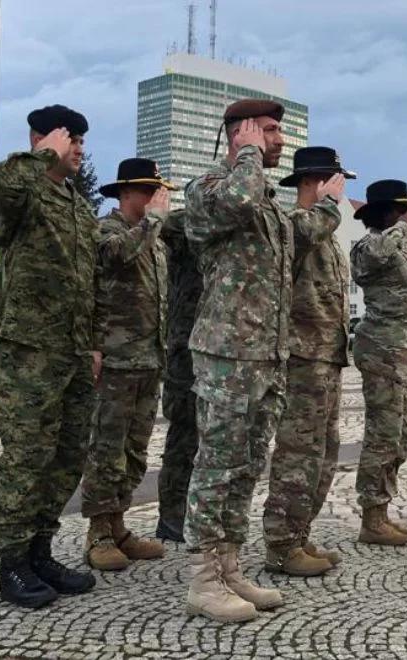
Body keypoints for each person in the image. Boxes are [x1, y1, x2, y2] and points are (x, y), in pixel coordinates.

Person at [183, 98, 305, 623]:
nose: (281, 141)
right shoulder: (209, 188)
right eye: (271, 131)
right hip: (227, 354)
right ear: (240, 133)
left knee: (246, 466)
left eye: (278, 132)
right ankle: (204, 580)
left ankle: (229, 566)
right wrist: (249, 155)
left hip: (265, 354)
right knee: (218, 466)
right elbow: (236, 200)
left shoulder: (268, 203)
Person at [0, 104, 98, 609]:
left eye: (80, 141)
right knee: (27, 456)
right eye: (72, 139)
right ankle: (13, 563)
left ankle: (40, 550)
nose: (79, 149)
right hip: (30, 349)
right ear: (45, 139)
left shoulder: (76, 204)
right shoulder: (22, 192)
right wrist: (39, 154)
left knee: (67, 455)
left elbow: (86, 283)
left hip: (72, 352)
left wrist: (92, 342)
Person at [81, 158, 174, 570]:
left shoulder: (151, 239)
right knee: (107, 448)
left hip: (148, 358)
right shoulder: (107, 230)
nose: (155, 196)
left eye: (157, 190)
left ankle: (118, 524)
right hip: (115, 359)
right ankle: (98, 531)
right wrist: (153, 220)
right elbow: (116, 256)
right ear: (124, 193)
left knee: (135, 450)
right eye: (147, 189)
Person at [261, 147, 350, 576]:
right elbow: (302, 236)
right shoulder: (295, 223)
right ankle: (280, 544)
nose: (342, 189)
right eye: (336, 181)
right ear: (316, 182)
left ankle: (299, 534)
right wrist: (329, 203)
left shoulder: (326, 233)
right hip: (301, 357)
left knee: (324, 452)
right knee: (298, 453)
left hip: (326, 356)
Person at [350, 179, 407, 546]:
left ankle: (382, 511)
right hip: (383, 349)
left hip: (406, 350)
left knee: (399, 437)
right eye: (402, 210)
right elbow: (376, 255)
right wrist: (401, 227)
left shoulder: (398, 249)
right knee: (382, 436)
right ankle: (371, 516)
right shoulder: (369, 246)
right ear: (388, 213)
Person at [155, 192, 202, 544]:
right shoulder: (185, 223)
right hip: (185, 348)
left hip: (211, 346)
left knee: (206, 438)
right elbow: (165, 226)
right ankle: (172, 516)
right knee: (184, 435)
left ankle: (192, 512)